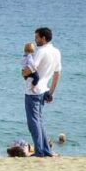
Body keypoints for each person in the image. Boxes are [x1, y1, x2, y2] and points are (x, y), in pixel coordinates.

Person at [23, 27, 62, 158]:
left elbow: (31, 68)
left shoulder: (41, 51)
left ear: (44, 38)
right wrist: (51, 92)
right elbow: (57, 74)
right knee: (39, 121)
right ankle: (46, 150)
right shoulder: (56, 52)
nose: (35, 40)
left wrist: (23, 72)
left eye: (37, 37)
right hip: (44, 89)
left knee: (33, 123)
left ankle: (40, 151)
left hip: (33, 92)